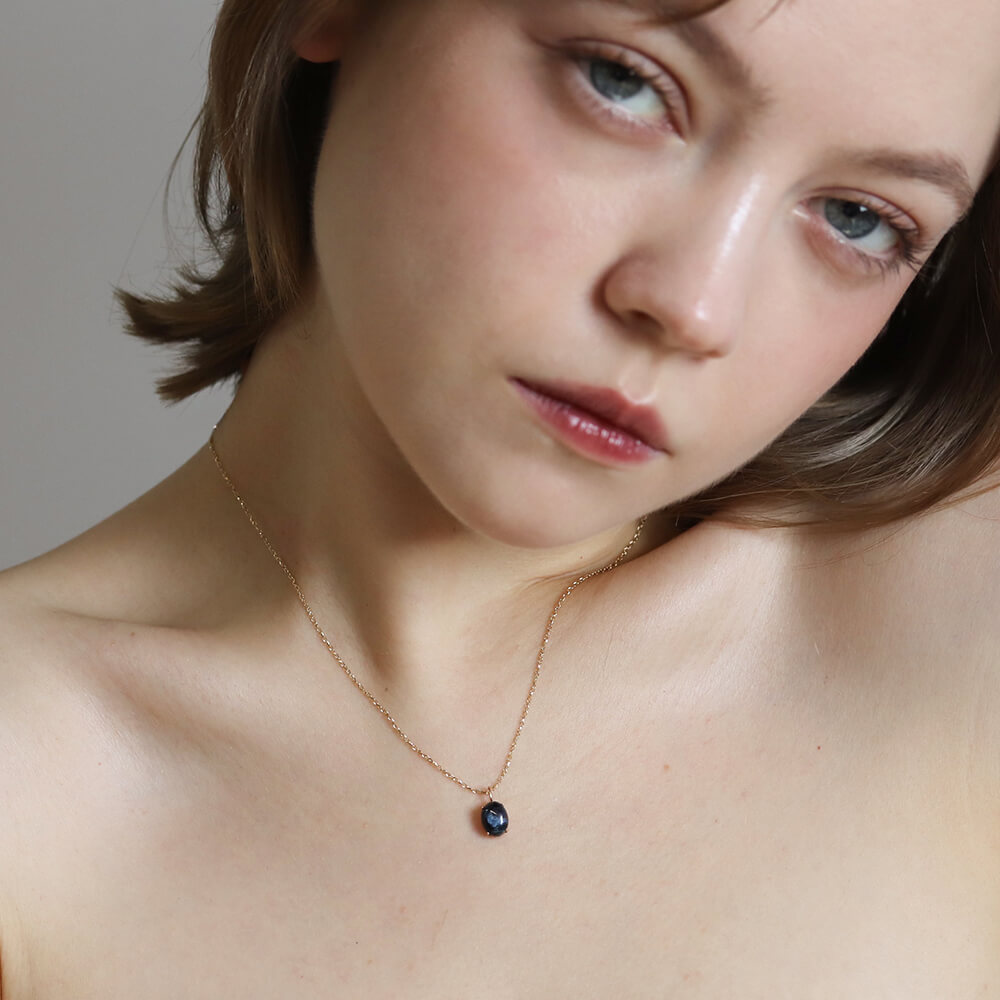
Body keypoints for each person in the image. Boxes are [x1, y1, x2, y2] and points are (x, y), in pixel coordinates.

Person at [1, 0, 999, 992]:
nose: (695, 307)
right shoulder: (32, 792)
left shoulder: (947, 613)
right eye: (624, 83)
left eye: (860, 219)